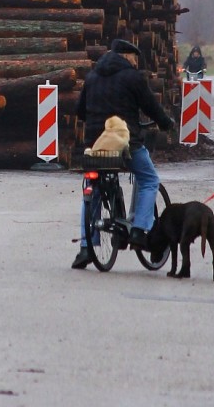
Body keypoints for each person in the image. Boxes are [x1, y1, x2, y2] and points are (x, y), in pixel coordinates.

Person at [71, 38, 174, 269]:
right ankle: (139, 229)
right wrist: (166, 123)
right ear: (127, 56)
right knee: (149, 180)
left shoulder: (92, 77)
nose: (136, 63)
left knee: (93, 189)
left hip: (96, 146)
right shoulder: (132, 77)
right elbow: (150, 106)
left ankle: (87, 247)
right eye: (135, 58)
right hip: (127, 144)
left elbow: (79, 112)